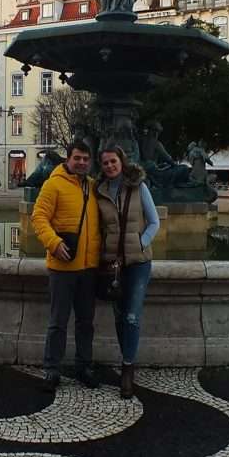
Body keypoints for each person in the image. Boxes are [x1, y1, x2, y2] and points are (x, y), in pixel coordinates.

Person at [30, 140, 102, 392]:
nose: (81, 162)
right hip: (62, 266)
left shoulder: (93, 187)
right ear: (68, 159)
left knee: (86, 322)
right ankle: (51, 369)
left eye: (85, 159)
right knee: (58, 322)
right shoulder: (53, 184)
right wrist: (53, 242)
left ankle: (84, 366)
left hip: (89, 268)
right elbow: (38, 216)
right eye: (77, 158)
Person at [96, 145, 160, 399]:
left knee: (132, 316)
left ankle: (127, 367)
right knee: (119, 315)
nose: (110, 166)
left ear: (121, 162)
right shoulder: (99, 192)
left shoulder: (138, 187)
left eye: (113, 161)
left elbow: (154, 221)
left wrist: (141, 242)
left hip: (138, 262)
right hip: (112, 264)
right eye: (105, 163)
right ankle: (127, 359)